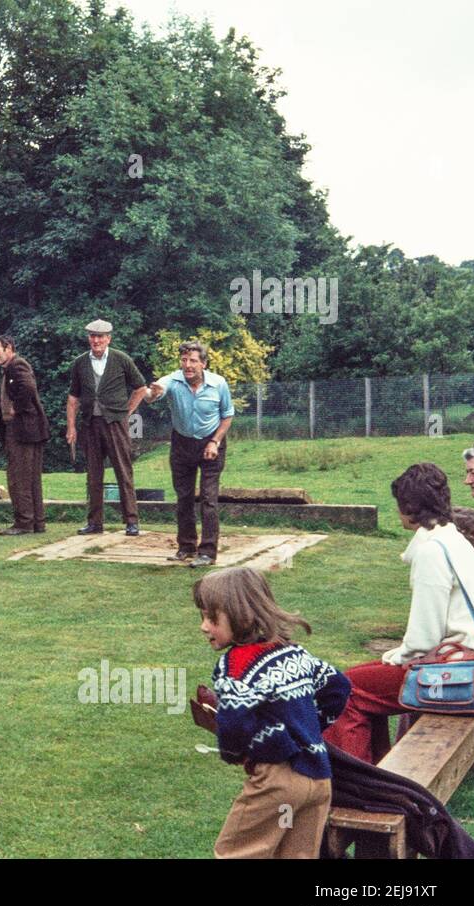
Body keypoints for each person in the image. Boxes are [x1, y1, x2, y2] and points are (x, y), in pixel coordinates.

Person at [323, 463, 474, 764]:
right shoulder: (454, 538)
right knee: (358, 681)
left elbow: (424, 639)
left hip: (468, 670)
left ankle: (360, 785)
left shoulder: (432, 551)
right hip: (472, 655)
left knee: (344, 689)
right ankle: (381, 766)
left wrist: (399, 656)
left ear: (408, 507)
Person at [194, 566, 351, 858]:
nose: (204, 626)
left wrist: (231, 753)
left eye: (211, 617)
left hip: (277, 786)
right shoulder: (294, 653)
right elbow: (338, 687)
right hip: (317, 781)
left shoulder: (236, 666)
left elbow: (234, 722)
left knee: (238, 852)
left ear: (241, 615)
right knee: (294, 854)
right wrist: (311, 728)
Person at [144, 340, 234, 567]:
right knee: (183, 497)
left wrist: (215, 441)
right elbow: (155, 392)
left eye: (193, 361)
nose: (188, 365)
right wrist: (152, 393)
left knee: (208, 498)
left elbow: (228, 415)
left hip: (211, 444)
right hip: (182, 443)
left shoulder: (219, 384)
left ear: (203, 363)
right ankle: (186, 546)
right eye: (184, 360)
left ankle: (208, 552)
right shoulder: (173, 381)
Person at [65, 319, 148, 536]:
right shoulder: (80, 363)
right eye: (92, 336)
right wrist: (71, 427)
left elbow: (140, 388)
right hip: (90, 424)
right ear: (88, 338)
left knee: (123, 470)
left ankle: (131, 521)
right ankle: (94, 522)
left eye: (100, 336)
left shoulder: (122, 359)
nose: (96, 340)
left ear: (108, 338)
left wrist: (126, 412)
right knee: (93, 474)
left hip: (115, 424)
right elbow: (73, 398)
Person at [0, 335, 50, 535]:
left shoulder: (17, 365)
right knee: (31, 478)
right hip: (29, 430)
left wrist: (16, 409)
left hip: (22, 430)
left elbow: (28, 388)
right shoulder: (12, 367)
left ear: (9, 349)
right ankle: (37, 523)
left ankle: (24, 523)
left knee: (19, 477)